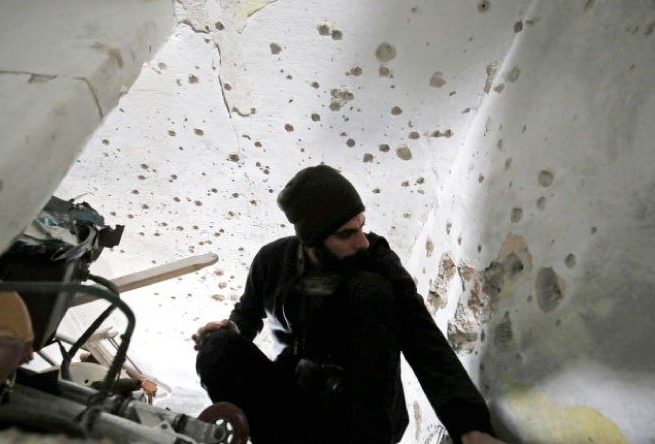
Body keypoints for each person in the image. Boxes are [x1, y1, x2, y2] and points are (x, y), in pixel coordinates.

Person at [193, 165, 504, 444]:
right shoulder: (272, 261)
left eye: (361, 225)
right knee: (216, 347)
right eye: (346, 234)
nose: (363, 241)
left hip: (359, 410)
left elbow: (422, 338)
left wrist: (470, 427)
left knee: (370, 288)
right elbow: (247, 315)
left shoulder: (376, 260)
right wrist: (230, 328)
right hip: (293, 398)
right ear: (312, 240)